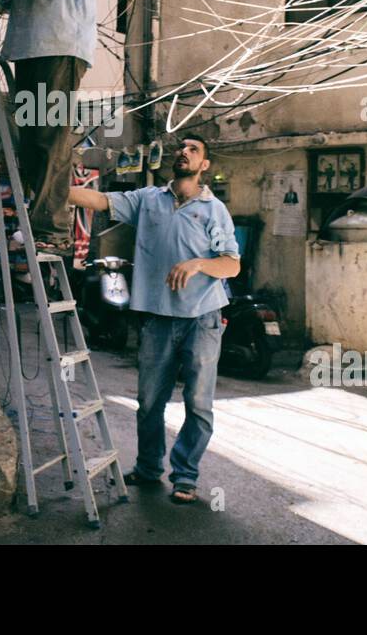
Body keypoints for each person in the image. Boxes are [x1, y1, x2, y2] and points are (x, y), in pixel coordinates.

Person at [67, 135, 241, 505]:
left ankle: (185, 476)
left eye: (194, 149)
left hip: (202, 317)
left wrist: (197, 264)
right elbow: (99, 200)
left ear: (204, 165)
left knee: (198, 404)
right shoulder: (148, 200)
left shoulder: (214, 209)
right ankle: (148, 468)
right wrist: (52, 188)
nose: (184, 152)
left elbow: (232, 263)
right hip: (158, 318)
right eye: (182, 147)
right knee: (148, 402)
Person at [0, 0, 95, 255]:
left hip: (61, 48)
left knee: (52, 136)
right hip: (28, 50)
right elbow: (7, 0)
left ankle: (53, 230)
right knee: (32, 140)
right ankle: (37, 224)